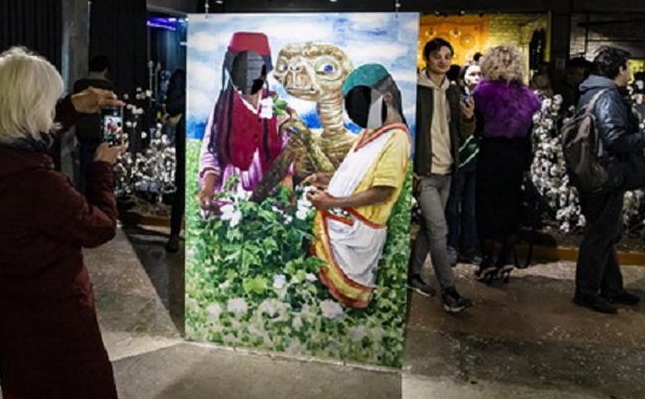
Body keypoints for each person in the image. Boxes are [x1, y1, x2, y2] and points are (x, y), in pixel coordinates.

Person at [0, 47, 125, 399]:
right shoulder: (40, 186)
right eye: (48, 101)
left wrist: (74, 106)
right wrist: (102, 167)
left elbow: (15, 137)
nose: (51, 110)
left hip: (9, 311)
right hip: (60, 320)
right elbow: (100, 227)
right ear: (32, 106)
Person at [307, 64, 411, 309]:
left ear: (386, 99)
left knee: (342, 296)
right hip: (343, 219)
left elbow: (382, 191)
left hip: (359, 231)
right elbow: (358, 175)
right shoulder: (372, 131)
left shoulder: (396, 138)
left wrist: (332, 203)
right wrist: (328, 179)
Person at [573, 46, 645, 314]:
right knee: (600, 235)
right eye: (628, 67)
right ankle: (587, 292)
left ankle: (611, 287)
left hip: (595, 171)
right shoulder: (608, 96)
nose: (630, 72)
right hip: (605, 174)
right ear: (618, 69)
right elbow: (615, 139)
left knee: (606, 232)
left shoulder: (591, 91)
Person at [408, 38, 475, 313]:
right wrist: (412, 168)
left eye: (448, 56)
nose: (443, 61)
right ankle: (449, 291)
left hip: (447, 171)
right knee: (439, 230)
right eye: (437, 56)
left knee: (429, 227)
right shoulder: (415, 90)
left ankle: (413, 274)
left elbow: (464, 133)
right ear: (427, 58)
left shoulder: (454, 91)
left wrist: (468, 117)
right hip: (424, 173)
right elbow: (408, 129)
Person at [472, 45, 542, 283]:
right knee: (510, 207)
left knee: (486, 207)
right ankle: (505, 258)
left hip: (491, 154)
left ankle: (487, 261)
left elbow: (475, 128)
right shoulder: (527, 96)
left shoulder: (483, 93)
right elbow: (529, 132)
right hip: (517, 155)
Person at [198, 32, 288, 208]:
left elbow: (286, 157)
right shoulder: (222, 107)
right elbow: (211, 154)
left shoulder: (277, 107)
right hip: (231, 198)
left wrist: (285, 193)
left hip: (269, 199)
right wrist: (207, 189)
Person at [446, 63, 482, 265]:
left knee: (470, 207)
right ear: (463, 78)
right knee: (453, 206)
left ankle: (469, 248)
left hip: (476, 159)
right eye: (473, 74)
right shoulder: (456, 97)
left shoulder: (485, 99)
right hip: (458, 158)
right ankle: (451, 245)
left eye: (480, 74)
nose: (477, 77)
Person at [73, 56, 117, 193]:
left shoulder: (79, 85)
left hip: (82, 132)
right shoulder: (107, 87)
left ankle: (82, 197)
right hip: (101, 133)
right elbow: (112, 114)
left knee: (83, 171)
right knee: (101, 170)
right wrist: (113, 139)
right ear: (105, 70)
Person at [164, 69, 186, 253]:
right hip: (186, 138)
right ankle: (174, 234)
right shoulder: (181, 76)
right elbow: (171, 106)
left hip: (213, 134)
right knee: (183, 186)